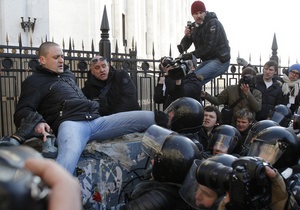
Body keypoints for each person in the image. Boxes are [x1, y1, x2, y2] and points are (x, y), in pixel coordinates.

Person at [12, 41, 156, 174]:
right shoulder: (33, 82)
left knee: (150, 117)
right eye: (56, 57)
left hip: (96, 121)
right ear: (42, 60)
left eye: (62, 56)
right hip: (70, 125)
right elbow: (22, 111)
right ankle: (50, 198)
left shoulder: (68, 75)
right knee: (66, 164)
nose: (61, 60)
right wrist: (38, 123)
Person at [117, 125, 202, 210]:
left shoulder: (157, 197)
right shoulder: (181, 190)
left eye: (156, 159)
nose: (152, 161)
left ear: (168, 168)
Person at [179, 0, 231, 84]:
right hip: (207, 61)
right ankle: (199, 96)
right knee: (190, 81)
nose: (199, 16)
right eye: (196, 14)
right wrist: (187, 37)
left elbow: (209, 47)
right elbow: (183, 47)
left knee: (193, 80)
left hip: (220, 60)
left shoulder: (213, 23)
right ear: (192, 15)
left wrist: (190, 55)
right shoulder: (194, 27)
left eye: (201, 12)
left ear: (205, 12)